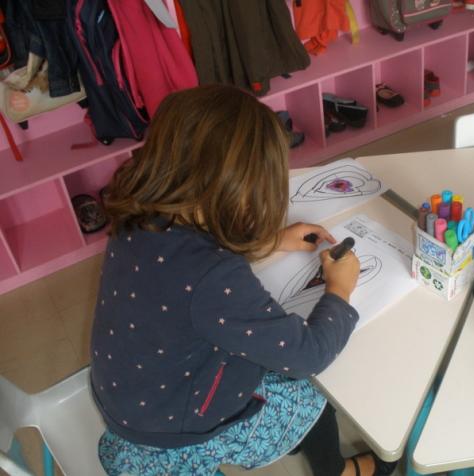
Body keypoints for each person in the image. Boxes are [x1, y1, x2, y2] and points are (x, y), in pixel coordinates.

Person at [91, 84, 397, 476]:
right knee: (309, 393)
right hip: (174, 437)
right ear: (242, 191)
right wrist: (339, 288)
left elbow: (180, 269)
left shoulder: (136, 218)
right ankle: (335, 471)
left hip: (129, 398)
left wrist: (271, 241)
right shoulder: (215, 277)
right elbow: (308, 356)